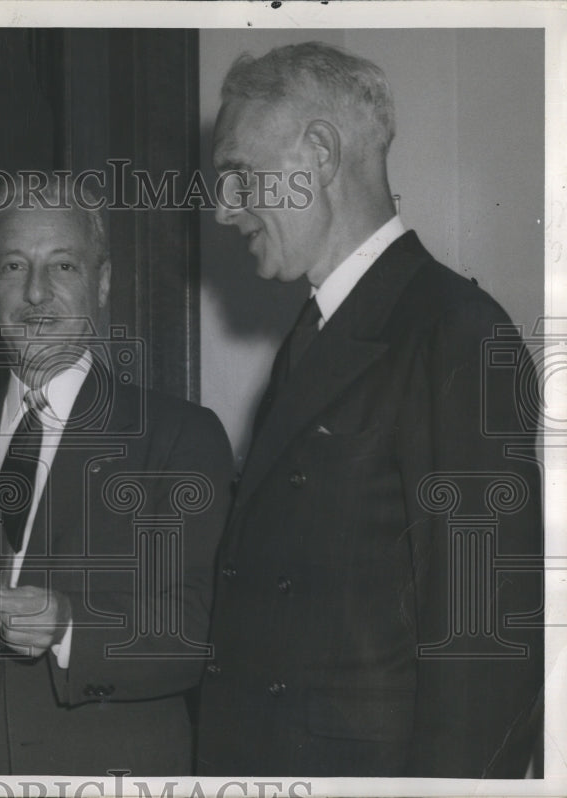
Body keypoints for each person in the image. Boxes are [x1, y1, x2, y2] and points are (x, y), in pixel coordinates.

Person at [197, 42, 544, 777]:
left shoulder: (456, 330)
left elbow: (482, 652)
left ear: (319, 153)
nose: (223, 210)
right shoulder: (312, 336)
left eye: (237, 176)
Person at [0, 175, 234, 776]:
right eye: (14, 266)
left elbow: (199, 631)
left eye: (64, 266)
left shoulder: (179, 437)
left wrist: (70, 625)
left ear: (102, 283)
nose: (37, 293)